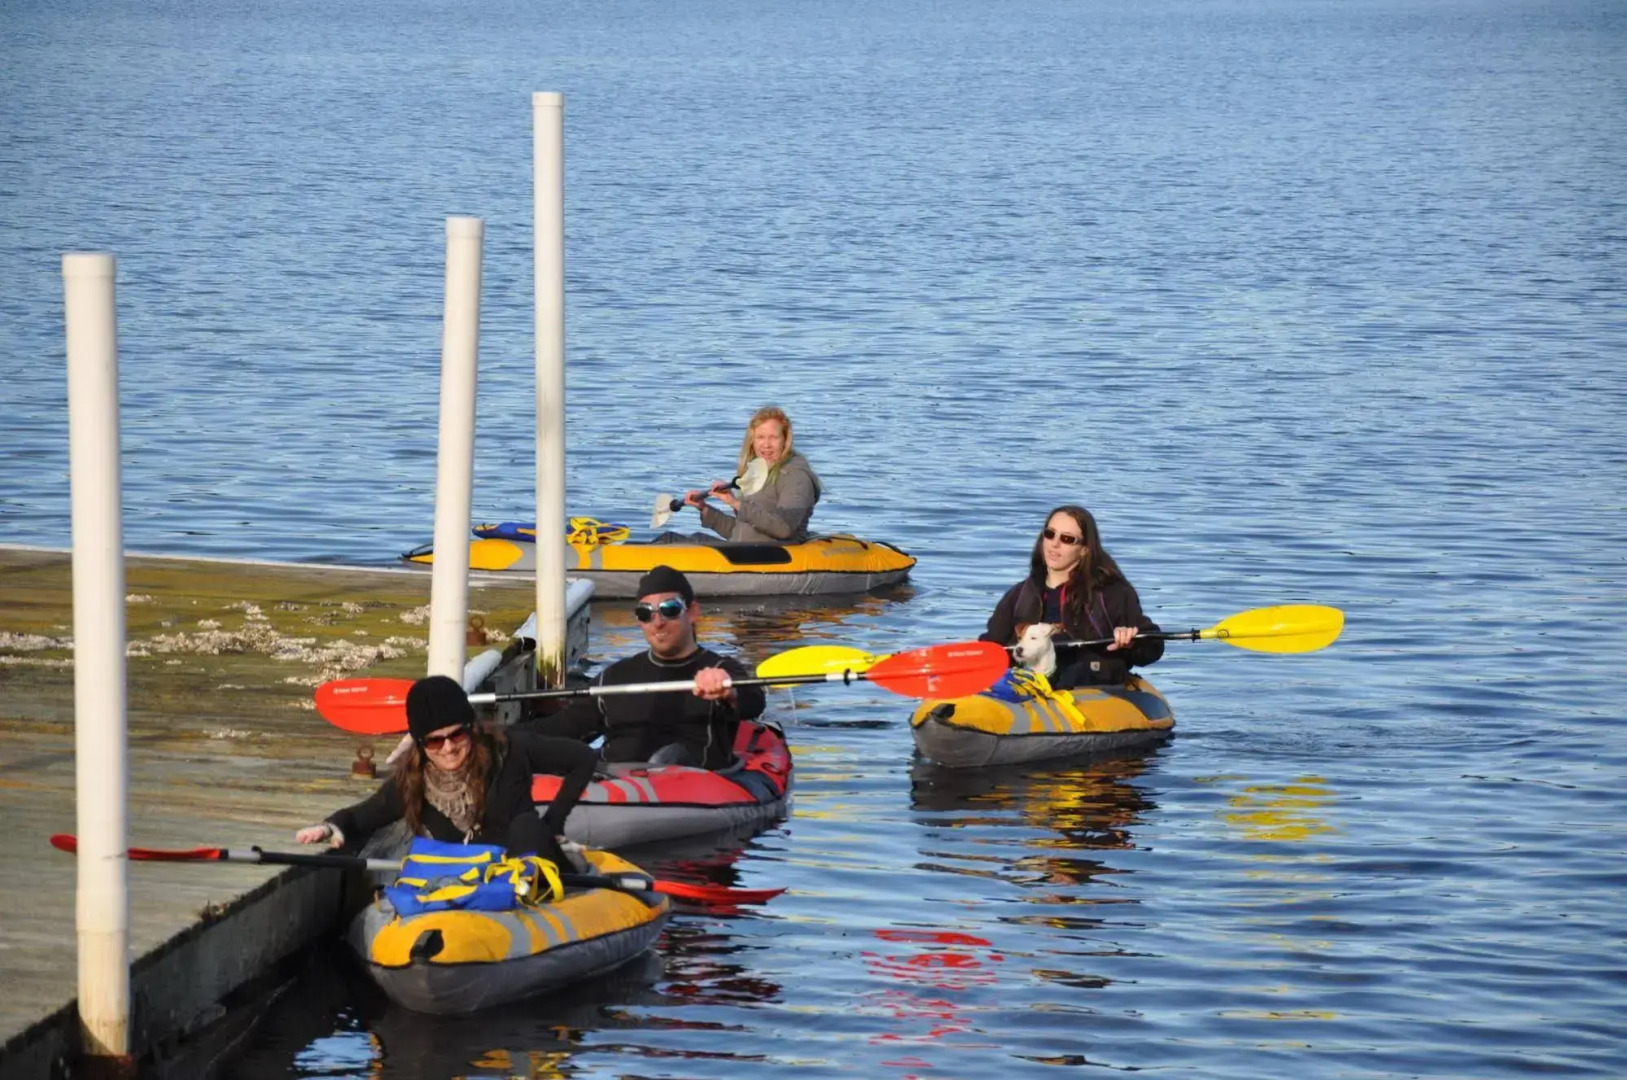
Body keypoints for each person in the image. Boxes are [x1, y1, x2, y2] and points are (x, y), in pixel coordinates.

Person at [294, 674, 598, 866]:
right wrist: (329, 828)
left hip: (530, 874)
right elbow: (365, 815)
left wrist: (555, 822)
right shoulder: (414, 781)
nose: (448, 748)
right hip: (465, 885)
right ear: (421, 744)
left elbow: (582, 758)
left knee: (526, 828)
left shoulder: (511, 748)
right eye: (434, 741)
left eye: (456, 735)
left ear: (470, 728)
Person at [522, 565, 765, 769]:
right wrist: (494, 735)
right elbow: (563, 728)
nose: (657, 622)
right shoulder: (615, 677)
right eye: (645, 613)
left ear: (692, 612)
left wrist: (728, 691)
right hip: (609, 793)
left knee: (671, 756)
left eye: (670, 609)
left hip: (689, 792)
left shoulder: (721, 669)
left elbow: (753, 701)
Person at [980, 505, 1164, 688]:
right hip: (1029, 686)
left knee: (1074, 672)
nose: (1054, 543)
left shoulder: (1111, 592)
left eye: (1067, 539)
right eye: (1050, 533)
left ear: (1084, 549)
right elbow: (990, 646)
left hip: (1089, 686)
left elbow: (1153, 647)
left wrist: (1131, 641)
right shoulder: (1018, 595)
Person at [684, 406, 822, 543]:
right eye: (760, 437)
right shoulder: (756, 474)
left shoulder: (796, 478)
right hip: (745, 551)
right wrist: (705, 509)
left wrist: (736, 503)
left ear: (785, 440)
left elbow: (783, 528)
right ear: (752, 441)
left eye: (774, 437)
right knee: (669, 538)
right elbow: (739, 532)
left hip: (772, 555)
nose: (766, 445)